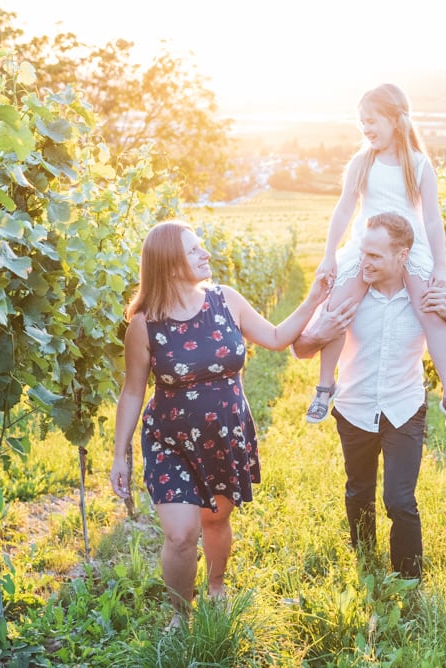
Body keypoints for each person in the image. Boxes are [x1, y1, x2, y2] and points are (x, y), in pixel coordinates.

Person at [110, 220, 326, 622]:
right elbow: (133, 391)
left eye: (201, 247)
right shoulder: (144, 326)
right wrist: (119, 455)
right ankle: (181, 615)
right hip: (170, 441)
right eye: (194, 251)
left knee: (216, 518)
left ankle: (216, 585)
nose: (205, 254)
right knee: (180, 535)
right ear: (171, 264)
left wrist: (314, 295)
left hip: (226, 434)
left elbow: (278, 337)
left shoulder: (225, 299)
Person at [292, 212, 446, 580]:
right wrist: (321, 329)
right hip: (354, 408)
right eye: (363, 253)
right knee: (358, 492)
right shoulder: (349, 294)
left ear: (402, 255)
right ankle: (366, 566)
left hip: (404, 407)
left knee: (401, 501)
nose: (365, 262)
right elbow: (302, 348)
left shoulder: (423, 298)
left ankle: (409, 581)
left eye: (375, 256)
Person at [306, 83, 446, 432]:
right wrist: (329, 255)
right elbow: (344, 209)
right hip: (369, 244)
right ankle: (324, 386)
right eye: (361, 123)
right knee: (338, 305)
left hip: (409, 247)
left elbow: (431, 219)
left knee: (429, 308)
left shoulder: (419, 165)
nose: (366, 129)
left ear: (395, 120)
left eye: (372, 121)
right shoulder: (362, 162)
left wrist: (439, 266)